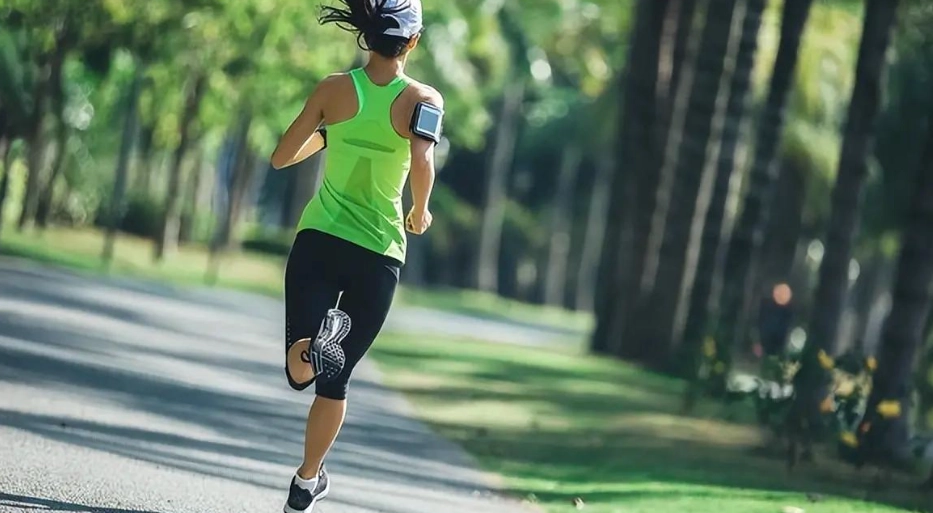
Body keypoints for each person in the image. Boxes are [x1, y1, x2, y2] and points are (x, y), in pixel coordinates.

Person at [269, 1, 444, 511]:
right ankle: (307, 481)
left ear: (365, 35)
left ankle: (314, 345)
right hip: (378, 253)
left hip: (320, 240)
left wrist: (330, 131)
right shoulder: (423, 99)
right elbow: (422, 160)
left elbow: (281, 157)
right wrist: (420, 210)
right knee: (335, 379)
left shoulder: (332, 89)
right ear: (412, 41)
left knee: (301, 368)